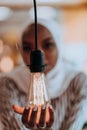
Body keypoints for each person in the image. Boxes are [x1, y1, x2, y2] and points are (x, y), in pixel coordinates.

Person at [0, 18, 87, 130]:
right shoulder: (7, 84)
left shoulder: (78, 82)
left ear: (59, 46)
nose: (39, 54)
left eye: (48, 45)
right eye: (27, 48)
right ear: (21, 51)